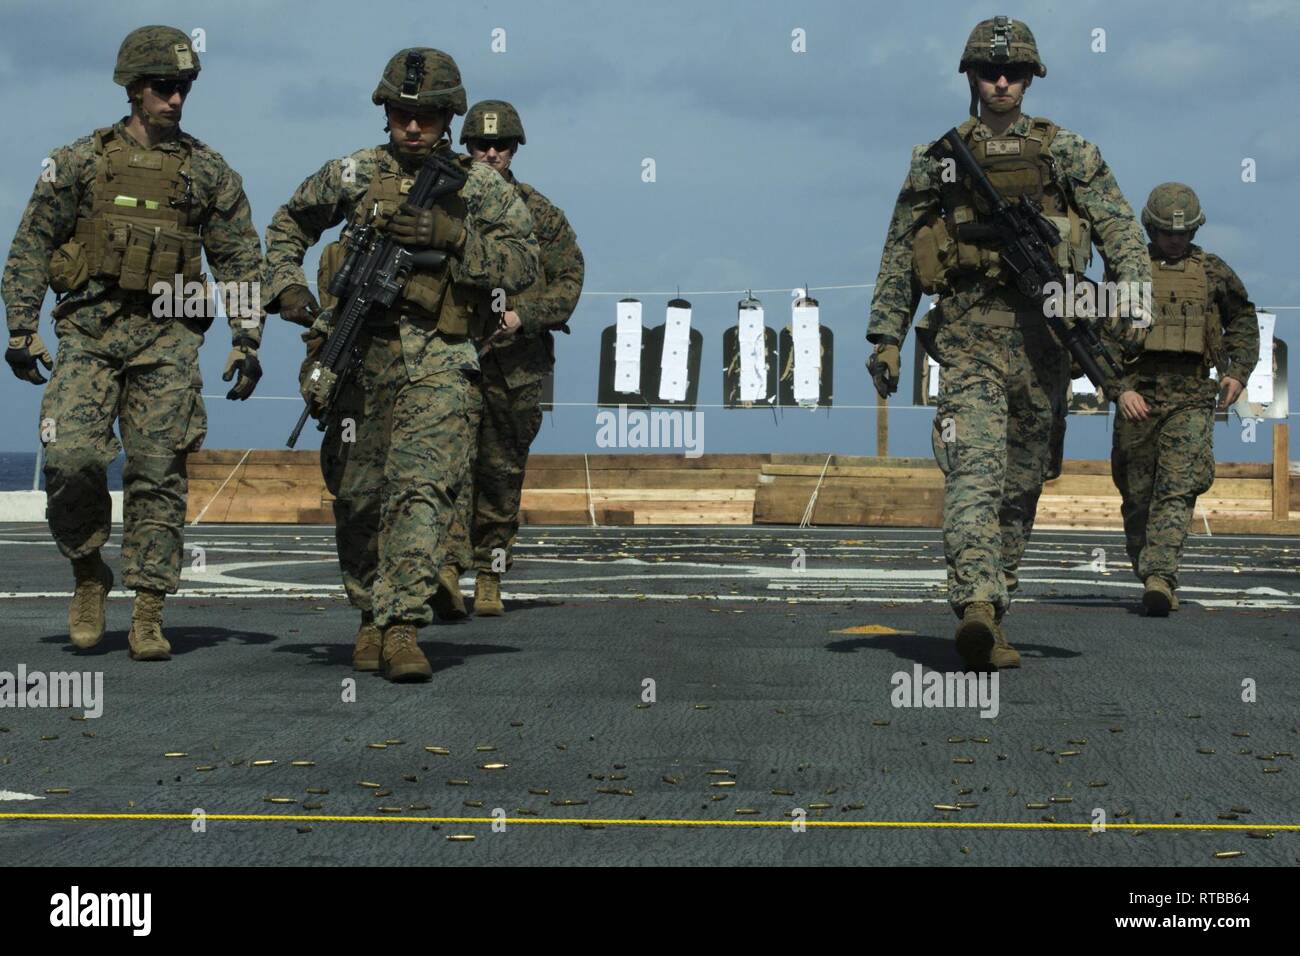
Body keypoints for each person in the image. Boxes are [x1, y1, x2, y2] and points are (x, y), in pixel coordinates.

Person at [865, 16, 1150, 669]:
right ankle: (975, 603)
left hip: (1047, 337)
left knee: (1022, 482)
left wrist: (1132, 300)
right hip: (968, 330)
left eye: (1014, 72)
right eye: (990, 71)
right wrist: (888, 334)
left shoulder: (1066, 151)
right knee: (974, 469)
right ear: (970, 76)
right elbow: (901, 249)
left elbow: (1119, 229)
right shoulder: (938, 157)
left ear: (1030, 78)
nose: (1001, 82)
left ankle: (995, 612)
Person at [263, 49, 539, 681]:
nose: (413, 127)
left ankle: (404, 624)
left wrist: (453, 239)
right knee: (358, 496)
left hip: (440, 357)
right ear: (385, 112)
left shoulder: (480, 187)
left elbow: (525, 266)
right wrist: (287, 286)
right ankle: (369, 614)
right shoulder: (353, 173)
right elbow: (287, 225)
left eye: (428, 115)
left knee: (422, 490)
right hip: (359, 355)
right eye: (401, 113)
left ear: (448, 118)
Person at [2, 25, 264, 661]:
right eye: (164, 87)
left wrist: (246, 336)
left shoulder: (208, 172)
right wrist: (20, 325)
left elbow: (239, 259)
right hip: (88, 334)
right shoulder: (78, 163)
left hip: (168, 340)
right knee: (69, 458)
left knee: (158, 473)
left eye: (185, 88)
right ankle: (89, 571)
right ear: (133, 89)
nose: (176, 100)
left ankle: (149, 608)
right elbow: (32, 243)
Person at [435, 99, 585, 618]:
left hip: (516, 366)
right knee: (445, 468)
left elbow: (569, 284)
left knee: (501, 473)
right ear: (466, 146)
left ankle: (490, 575)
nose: (491, 153)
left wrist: (523, 314)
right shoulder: (442, 200)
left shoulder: (540, 214)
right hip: (450, 357)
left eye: (501, 145)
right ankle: (446, 571)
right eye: (481, 144)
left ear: (515, 148)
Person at [1106, 183, 1259, 616]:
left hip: (1192, 392)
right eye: (1167, 232)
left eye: (1184, 232)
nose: (1176, 239)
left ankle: (1161, 575)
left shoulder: (1213, 271)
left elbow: (1242, 319)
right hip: (1139, 390)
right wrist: (1120, 388)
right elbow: (1101, 334)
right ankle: (1149, 568)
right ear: (1150, 228)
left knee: (1177, 486)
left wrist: (1236, 372)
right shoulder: (1126, 271)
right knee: (1136, 492)